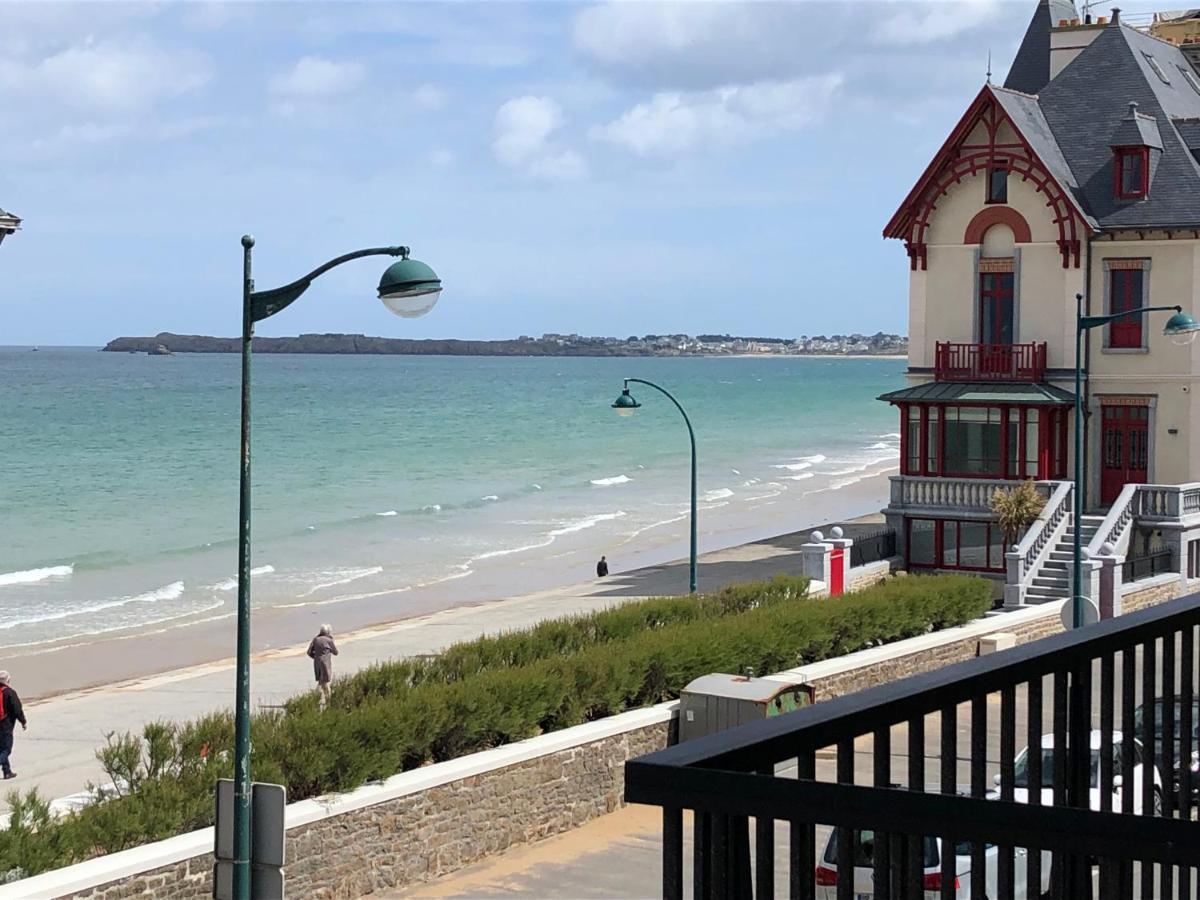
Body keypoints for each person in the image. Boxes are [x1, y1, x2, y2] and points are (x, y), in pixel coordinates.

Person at [0, 672, 27, 779]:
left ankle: (7, 772)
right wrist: (23, 721)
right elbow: (17, 709)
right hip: (5, 724)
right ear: (7, 680)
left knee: (1, 748)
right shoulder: (10, 692)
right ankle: (6, 771)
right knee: (6, 749)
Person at [306, 625, 338, 711]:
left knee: (321, 681)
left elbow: (309, 652)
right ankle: (328, 702)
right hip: (325, 664)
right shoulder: (329, 640)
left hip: (317, 663)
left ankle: (318, 699)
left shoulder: (315, 639)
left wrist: (316, 657)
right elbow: (336, 652)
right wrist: (328, 650)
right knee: (325, 682)